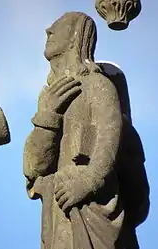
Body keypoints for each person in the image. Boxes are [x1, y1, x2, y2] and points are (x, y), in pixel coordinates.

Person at [23, 12, 149, 249]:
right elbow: (34, 168)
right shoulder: (48, 97)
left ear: (75, 37)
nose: (48, 30)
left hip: (92, 211)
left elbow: (108, 140)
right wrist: (47, 117)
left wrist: (88, 182)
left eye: (58, 26)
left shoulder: (98, 86)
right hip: (58, 215)